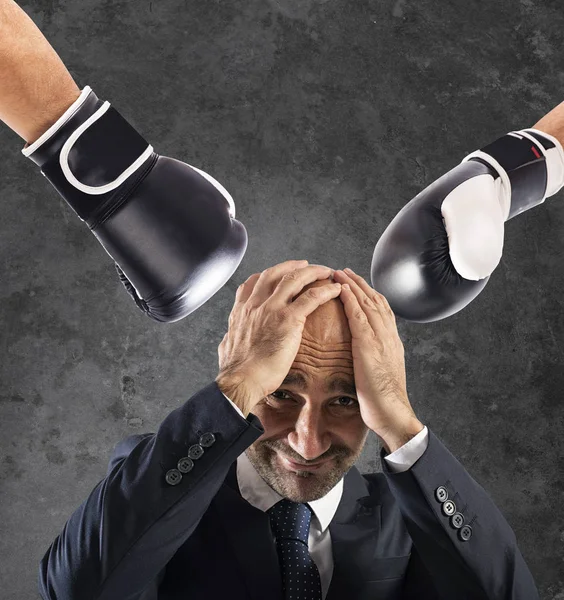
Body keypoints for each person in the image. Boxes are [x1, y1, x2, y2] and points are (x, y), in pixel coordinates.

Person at [38, 260, 539, 599]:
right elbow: (76, 590)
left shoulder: (406, 510)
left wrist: (402, 425)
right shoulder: (162, 483)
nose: (308, 440)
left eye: (344, 400)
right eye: (280, 392)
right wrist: (235, 385)